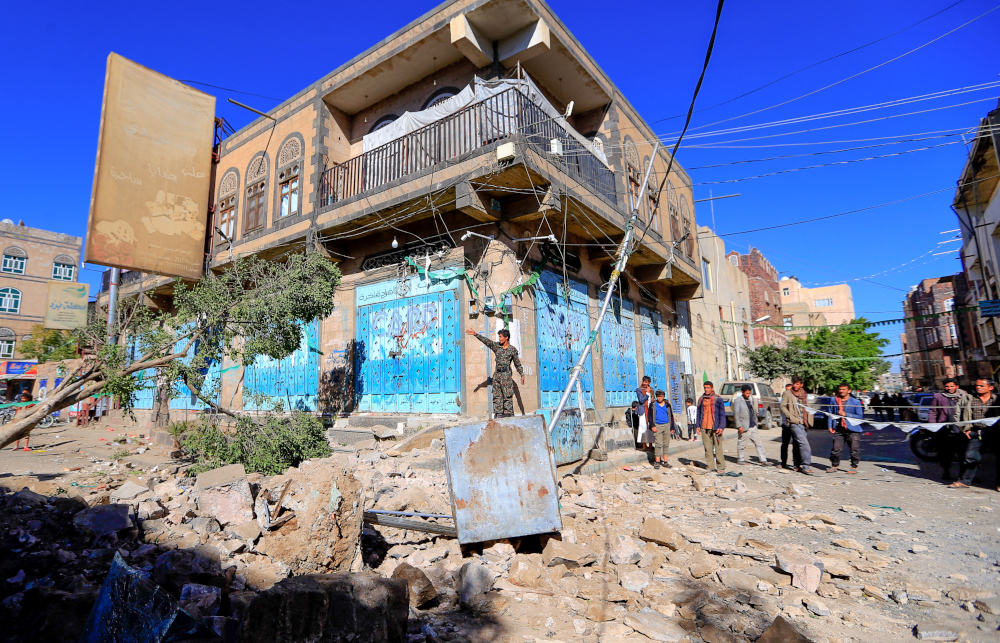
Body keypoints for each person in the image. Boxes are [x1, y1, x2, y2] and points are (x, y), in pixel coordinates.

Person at [949, 378, 1000, 490]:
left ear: (991, 387)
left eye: (981, 386)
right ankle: (964, 481)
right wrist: (965, 429)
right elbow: (958, 414)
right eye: (977, 385)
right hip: (976, 432)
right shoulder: (969, 399)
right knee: (971, 457)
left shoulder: (997, 399)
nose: (978, 387)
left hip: (996, 433)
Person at [466, 327, 524, 418]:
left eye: (501, 337)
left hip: (506, 376)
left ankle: (508, 414)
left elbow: (518, 364)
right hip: (497, 375)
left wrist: (522, 374)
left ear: (506, 337)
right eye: (499, 337)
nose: (499, 339)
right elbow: (487, 341)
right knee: (497, 396)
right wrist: (475, 334)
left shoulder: (512, 350)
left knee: (507, 396)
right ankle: (498, 414)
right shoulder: (497, 347)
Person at [932, 379, 968, 481]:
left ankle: (964, 475)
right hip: (945, 430)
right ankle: (946, 472)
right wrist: (933, 426)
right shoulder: (938, 396)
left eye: (951, 386)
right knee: (945, 453)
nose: (949, 388)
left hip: (961, 430)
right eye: (947, 386)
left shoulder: (964, 396)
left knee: (963, 453)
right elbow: (933, 411)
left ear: (956, 386)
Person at [826, 383, 865, 474]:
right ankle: (834, 466)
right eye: (840, 389)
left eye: (843, 389)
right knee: (836, 448)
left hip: (852, 429)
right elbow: (830, 414)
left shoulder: (855, 402)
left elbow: (860, 417)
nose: (841, 391)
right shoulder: (834, 400)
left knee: (854, 449)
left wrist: (846, 414)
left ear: (849, 391)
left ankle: (854, 467)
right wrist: (830, 426)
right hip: (839, 428)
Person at [780, 376, 815, 475]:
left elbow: (806, 406)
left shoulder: (804, 394)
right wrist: (789, 416)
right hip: (794, 422)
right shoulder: (787, 393)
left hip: (804, 422)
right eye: (794, 384)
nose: (795, 386)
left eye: (797, 384)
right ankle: (806, 466)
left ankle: (796, 465)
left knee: (797, 443)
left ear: (801, 385)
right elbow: (782, 406)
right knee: (804, 443)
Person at [733, 384, 771, 466]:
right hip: (744, 426)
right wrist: (739, 426)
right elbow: (736, 414)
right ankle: (740, 459)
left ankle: (763, 460)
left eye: (749, 393)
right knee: (742, 444)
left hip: (752, 425)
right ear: (742, 392)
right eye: (746, 393)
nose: (748, 395)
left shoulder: (750, 399)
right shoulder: (738, 401)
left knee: (759, 443)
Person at [696, 381, 727, 471]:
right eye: (705, 388)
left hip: (716, 427)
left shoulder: (718, 399)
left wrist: (721, 427)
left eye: (708, 388)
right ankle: (710, 467)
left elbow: (722, 414)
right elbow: (698, 414)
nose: (706, 389)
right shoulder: (701, 399)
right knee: (708, 449)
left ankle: (721, 467)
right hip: (704, 427)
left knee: (718, 449)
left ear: (712, 388)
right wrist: (698, 425)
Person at [779, 382, 802, 470]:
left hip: (795, 424)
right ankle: (783, 462)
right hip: (786, 424)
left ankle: (796, 464)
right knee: (784, 444)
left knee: (796, 444)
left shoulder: (796, 400)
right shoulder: (782, 401)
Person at [651, 389, 675, 469]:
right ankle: (657, 462)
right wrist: (652, 426)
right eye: (658, 396)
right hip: (657, 426)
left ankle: (665, 462)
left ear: (664, 397)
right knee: (658, 444)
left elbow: (671, 415)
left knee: (666, 444)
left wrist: (672, 427)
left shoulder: (667, 405)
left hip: (667, 425)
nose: (660, 398)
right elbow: (650, 416)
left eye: (661, 396)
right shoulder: (653, 405)